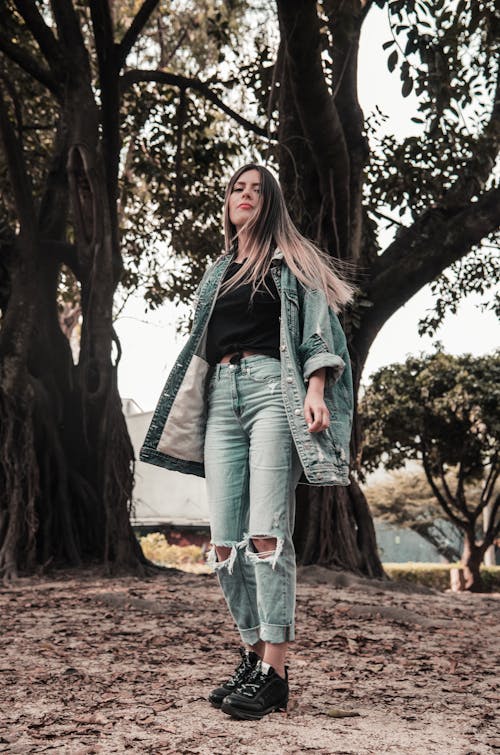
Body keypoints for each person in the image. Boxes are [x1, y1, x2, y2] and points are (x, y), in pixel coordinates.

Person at [140, 163, 355, 721]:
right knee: (224, 543)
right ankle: (253, 654)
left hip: (271, 392)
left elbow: (316, 330)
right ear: (227, 201)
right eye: (238, 187)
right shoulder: (217, 273)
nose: (245, 195)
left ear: (272, 204)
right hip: (221, 399)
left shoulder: (292, 262)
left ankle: (275, 673)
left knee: (266, 534)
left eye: (257, 190)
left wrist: (315, 390)